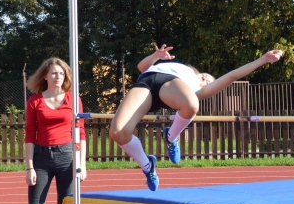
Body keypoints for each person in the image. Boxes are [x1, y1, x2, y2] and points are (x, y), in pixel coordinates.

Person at [109, 45, 283, 191]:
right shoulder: (186, 69)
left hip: (171, 85)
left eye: (209, 80)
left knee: (192, 105)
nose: (206, 78)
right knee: (118, 132)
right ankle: (148, 166)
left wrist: (262, 60)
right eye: (206, 75)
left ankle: (171, 136)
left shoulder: (196, 89)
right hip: (146, 81)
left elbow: (233, 75)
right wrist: (156, 56)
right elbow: (142, 67)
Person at [13, 57, 87, 204]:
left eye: (62, 73)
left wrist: (82, 165)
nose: (58, 77)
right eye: (54, 73)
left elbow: (81, 133)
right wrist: (30, 167)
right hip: (42, 158)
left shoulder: (74, 100)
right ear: (45, 75)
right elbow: (29, 135)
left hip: (67, 158)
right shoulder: (35, 101)